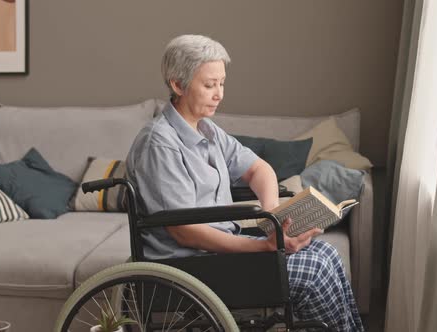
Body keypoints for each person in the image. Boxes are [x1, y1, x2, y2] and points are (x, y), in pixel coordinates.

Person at [126, 34, 364, 331]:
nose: (219, 94)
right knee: (314, 271)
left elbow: (259, 170)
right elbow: (184, 232)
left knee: (327, 253)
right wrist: (264, 247)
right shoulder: (159, 144)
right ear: (177, 85)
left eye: (221, 83)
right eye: (209, 85)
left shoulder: (208, 131)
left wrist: (273, 216)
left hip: (218, 255)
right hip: (190, 265)